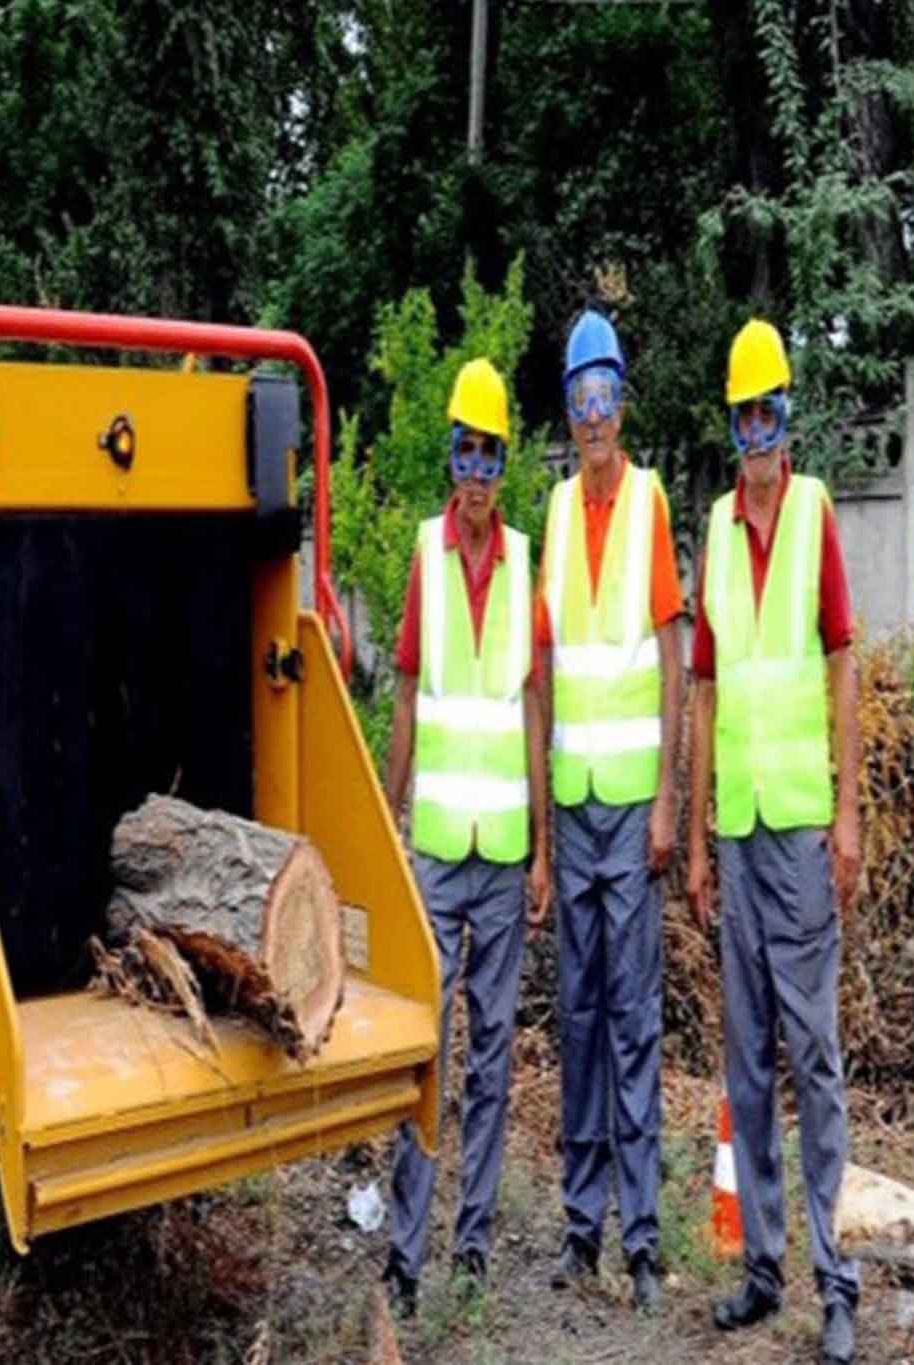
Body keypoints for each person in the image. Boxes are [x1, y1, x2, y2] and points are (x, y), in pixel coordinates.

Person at [687, 317, 862, 1365]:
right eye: (743, 416)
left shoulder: (812, 515)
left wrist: (846, 811)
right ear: (730, 427)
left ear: (787, 419)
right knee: (745, 1064)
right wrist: (702, 835)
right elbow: (703, 685)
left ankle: (834, 1278)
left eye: (769, 413)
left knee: (814, 1056)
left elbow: (841, 659)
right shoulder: (713, 528)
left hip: (798, 829)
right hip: (737, 833)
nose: (756, 435)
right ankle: (761, 1266)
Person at [380, 357, 552, 1318]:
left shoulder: (524, 561)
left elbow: (533, 708)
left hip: (502, 854)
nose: (477, 473)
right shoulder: (424, 557)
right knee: (424, 1050)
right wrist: (390, 818)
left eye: (490, 454)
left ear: (504, 461)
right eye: (464, 452)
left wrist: (540, 850)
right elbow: (405, 695)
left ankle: (473, 1242)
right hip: (440, 851)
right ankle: (406, 1251)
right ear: (449, 458)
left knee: (494, 1055)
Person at [537, 310, 686, 1312]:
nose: (592, 416)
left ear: (622, 404)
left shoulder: (647, 503)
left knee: (632, 1020)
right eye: (577, 398)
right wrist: (544, 830)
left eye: (605, 395)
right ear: (568, 410)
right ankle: (580, 1227)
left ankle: (639, 1234)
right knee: (579, 1021)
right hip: (571, 810)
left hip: (632, 812)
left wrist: (671, 795)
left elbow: (673, 654)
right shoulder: (551, 512)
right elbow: (544, 670)